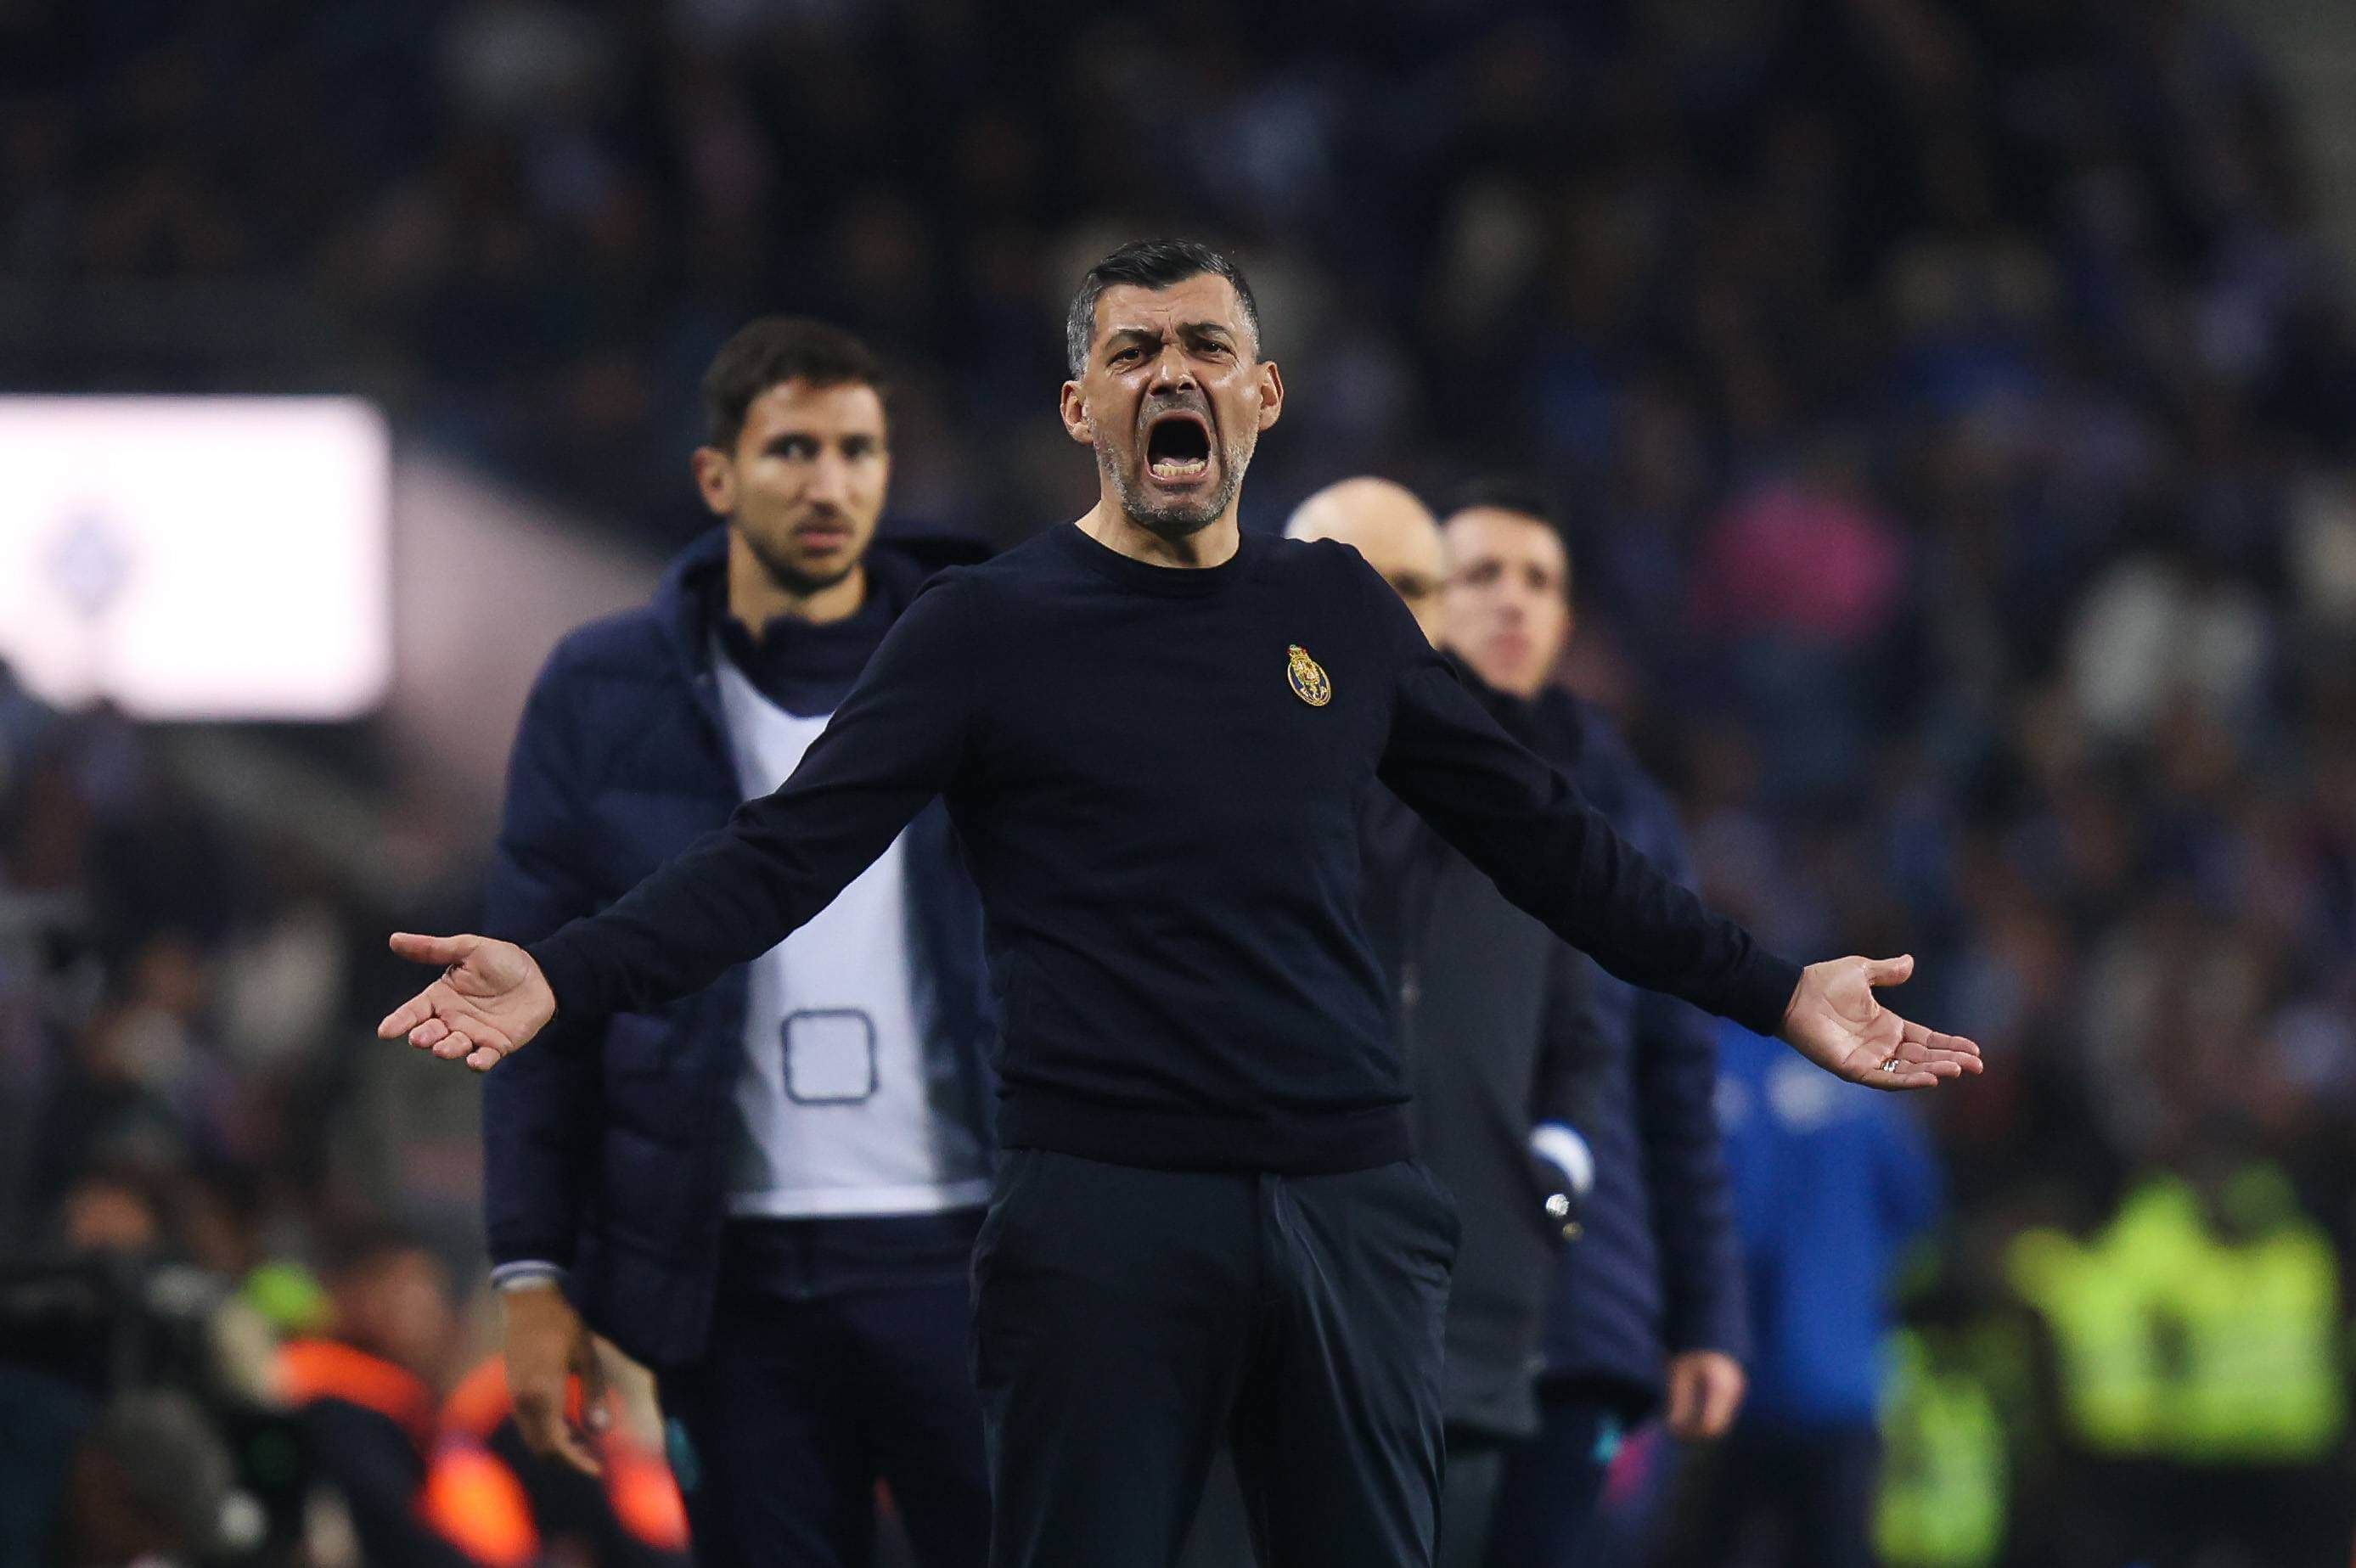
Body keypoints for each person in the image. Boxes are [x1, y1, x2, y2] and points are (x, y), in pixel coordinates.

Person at [381, 239, 1981, 1568]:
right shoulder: (981, 630)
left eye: (1207, 344)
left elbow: (1555, 849)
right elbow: (782, 855)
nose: (1173, 373)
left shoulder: (1335, 611)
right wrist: (565, 976)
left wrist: (1780, 991)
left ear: (1263, 395)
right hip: (1103, 1218)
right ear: (1080, 402)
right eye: (1134, 348)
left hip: (1350, 1202)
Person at [477, 317, 996, 1567]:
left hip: (971, 1248)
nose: (829, 483)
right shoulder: (602, 692)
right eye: (793, 448)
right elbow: (536, 995)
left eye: (859, 450)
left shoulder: (990, 657)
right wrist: (531, 1271)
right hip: (730, 1272)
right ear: (716, 476)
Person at [1438, 486, 1754, 1568]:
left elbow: (1675, 1077)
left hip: (1583, 1301)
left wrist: (1707, 1314)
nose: (1513, 601)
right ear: (1429, 605)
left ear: (1568, 622)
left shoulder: (1629, 811)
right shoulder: (1372, 785)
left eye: (1540, 581)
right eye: (1482, 575)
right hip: (1411, 1284)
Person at [1284, 478, 1595, 1567]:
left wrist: (1550, 1175)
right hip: (1274, 1305)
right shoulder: (1238, 791)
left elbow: (1580, 1036)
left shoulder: (1528, 804)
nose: (1381, 612)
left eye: (1413, 586)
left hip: (1469, 1309)